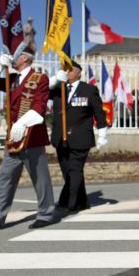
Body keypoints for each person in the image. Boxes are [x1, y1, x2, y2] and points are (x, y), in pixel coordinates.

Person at [0, 46, 56, 229]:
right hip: (13, 138)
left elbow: (39, 107)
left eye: (16, 55)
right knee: (5, 177)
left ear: (25, 58)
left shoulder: (40, 78)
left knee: (40, 178)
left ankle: (46, 214)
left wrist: (22, 123)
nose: (13, 57)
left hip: (32, 136)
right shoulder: (12, 79)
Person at [49, 60, 108, 214]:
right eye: (65, 70)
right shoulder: (58, 89)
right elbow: (41, 92)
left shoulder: (89, 90)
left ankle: (68, 202)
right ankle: (82, 201)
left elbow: (99, 112)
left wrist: (102, 133)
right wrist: (55, 79)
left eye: (70, 70)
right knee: (68, 172)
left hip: (80, 137)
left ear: (79, 73)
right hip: (60, 138)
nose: (67, 72)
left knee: (74, 170)